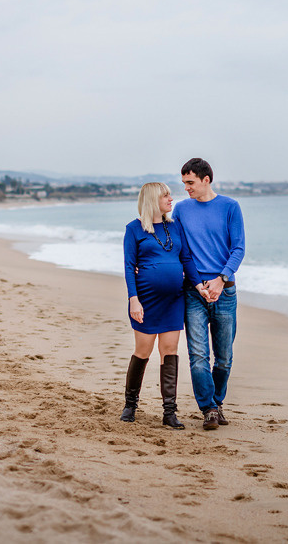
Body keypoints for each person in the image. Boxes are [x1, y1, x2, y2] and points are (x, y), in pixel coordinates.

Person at [122, 182, 204, 429]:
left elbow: (186, 259)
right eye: (165, 195)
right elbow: (128, 266)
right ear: (152, 200)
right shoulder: (134, 229)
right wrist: (133, 299)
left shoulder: (174, 226)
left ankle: (169, 412)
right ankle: (130, 405)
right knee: (143, 352)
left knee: (170, 352)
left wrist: (199, 286)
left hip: (173, 300)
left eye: (170, 194)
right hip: (145, 301)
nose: (171, 198)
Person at [172, 158, 246, 431]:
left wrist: (220, 279)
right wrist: (197, 284)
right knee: (198, 355)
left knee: (224, 357)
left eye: (190, 183)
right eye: (184, 183)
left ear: (206, 179)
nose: (186, 188)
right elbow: (183, 252)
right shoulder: (181, 209)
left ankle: (217, 401)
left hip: (225, 292)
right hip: (194, 293)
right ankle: (209, 409)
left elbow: (238, 249)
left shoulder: (230, 207)